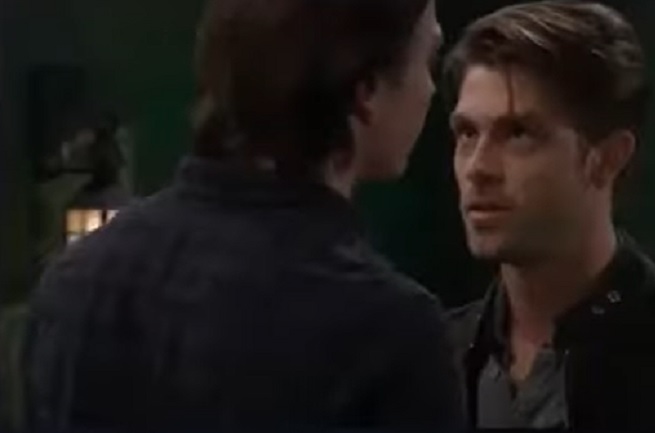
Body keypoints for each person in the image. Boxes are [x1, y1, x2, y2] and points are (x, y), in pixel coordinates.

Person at [25, 0, 464, 430]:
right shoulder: (388, 332)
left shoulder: (73, 281)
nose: (431, 89)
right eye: (428, 60)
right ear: (366, 92)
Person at [443, 1, 655, 429]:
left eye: (518, 133)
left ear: (608, 158)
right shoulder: (435, 356)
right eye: (467, 133)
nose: (478, 168)